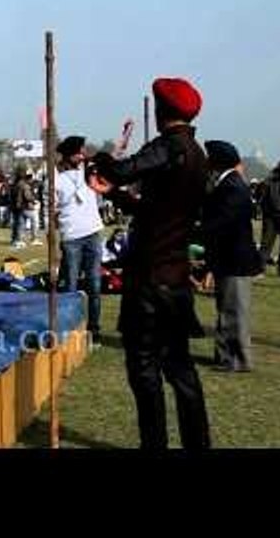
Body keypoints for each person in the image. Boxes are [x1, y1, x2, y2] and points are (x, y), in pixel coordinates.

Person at [88, 77, 211, 449]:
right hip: (175, 278)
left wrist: (101, 160)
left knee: (143, 368)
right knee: (181, 369)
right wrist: (120, 197)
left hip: (148, 279)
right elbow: (157, 211)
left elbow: (123, 169)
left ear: (162, 112)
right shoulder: (198, 154)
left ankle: (153, 443)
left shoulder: (170, 146)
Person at [202, 141, 264, 372]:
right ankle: (227, 356)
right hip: (230, 257)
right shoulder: (229, 183)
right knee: (228, 309)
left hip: (235, 259)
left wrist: (193, 231)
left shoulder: (232, 187)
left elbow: (221, 223)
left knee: (233, 311)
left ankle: (236, 359)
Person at [55, 135, 105, 345]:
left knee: (94, 283)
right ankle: (68, 330)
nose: (83, 155)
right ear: (70, 155)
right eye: (79, 152)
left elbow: (112, 161)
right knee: (71, 287)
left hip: (93, 232)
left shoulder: (89, 172)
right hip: (72, 237)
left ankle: (94, 330)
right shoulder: (55, 179)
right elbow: (51, 211)